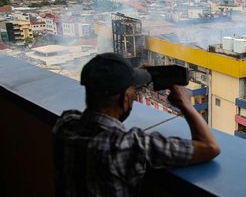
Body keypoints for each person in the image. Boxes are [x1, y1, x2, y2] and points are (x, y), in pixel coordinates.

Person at [52, 53, 220, 197]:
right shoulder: (128, 145)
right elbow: (209, 147)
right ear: (125, 98)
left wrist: (140, 78)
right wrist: (186, 104)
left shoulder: (65, 125)